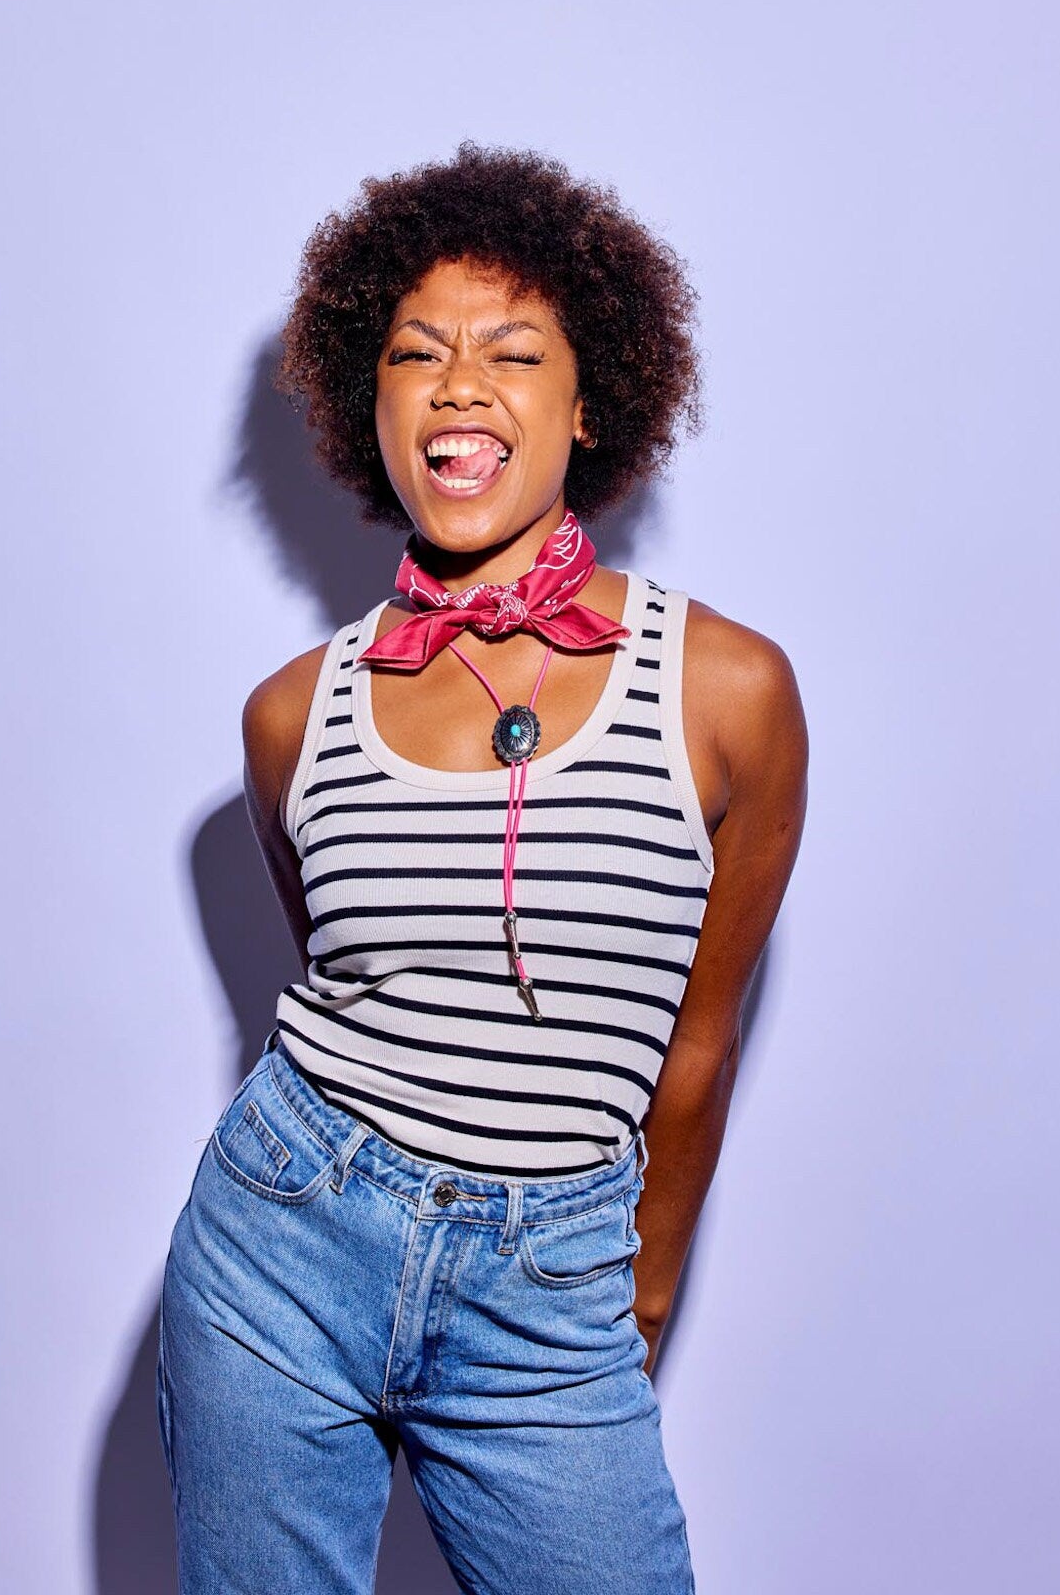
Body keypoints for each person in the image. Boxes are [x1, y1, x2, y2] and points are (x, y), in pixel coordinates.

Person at [157, 141, 809, 1593]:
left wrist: (628, 1289)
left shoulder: (727, 692)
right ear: (363, 405)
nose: (458, 386)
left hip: (553, 1273)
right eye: (414, 355)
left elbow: (695, 1047)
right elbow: (346, 986)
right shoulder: (289, 716)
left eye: (512, 353)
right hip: (278, 1246)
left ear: (587, 408)